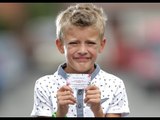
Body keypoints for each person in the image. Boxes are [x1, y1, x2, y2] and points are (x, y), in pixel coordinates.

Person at [31, 3, 130, 117]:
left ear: (102, 45)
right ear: (60, 45)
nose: (82, 50)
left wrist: (97, 110)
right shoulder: (44, 85)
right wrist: (60, 113)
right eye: (74, 43)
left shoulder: (115, 85)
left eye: (90, 43)